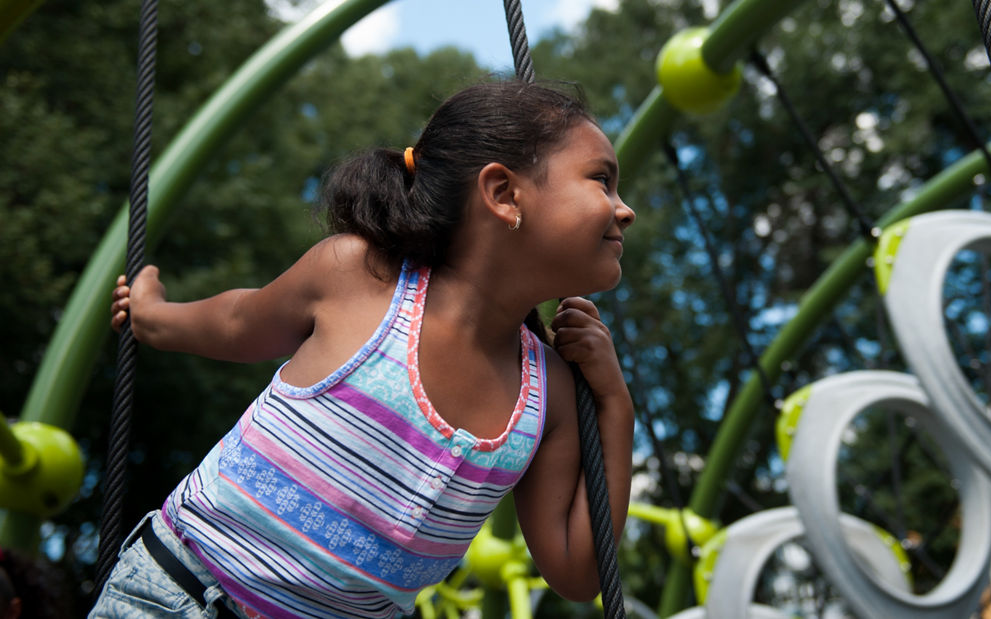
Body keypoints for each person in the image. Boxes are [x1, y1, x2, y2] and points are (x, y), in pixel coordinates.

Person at [92, 80, 636, 618]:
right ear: (502, 193)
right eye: (602, 181)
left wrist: (614, 404)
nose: (624, 209)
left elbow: (577, 571)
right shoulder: (362, 277)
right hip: (181, 594)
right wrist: (152, 314)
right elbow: (237, 321)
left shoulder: (549, 392)